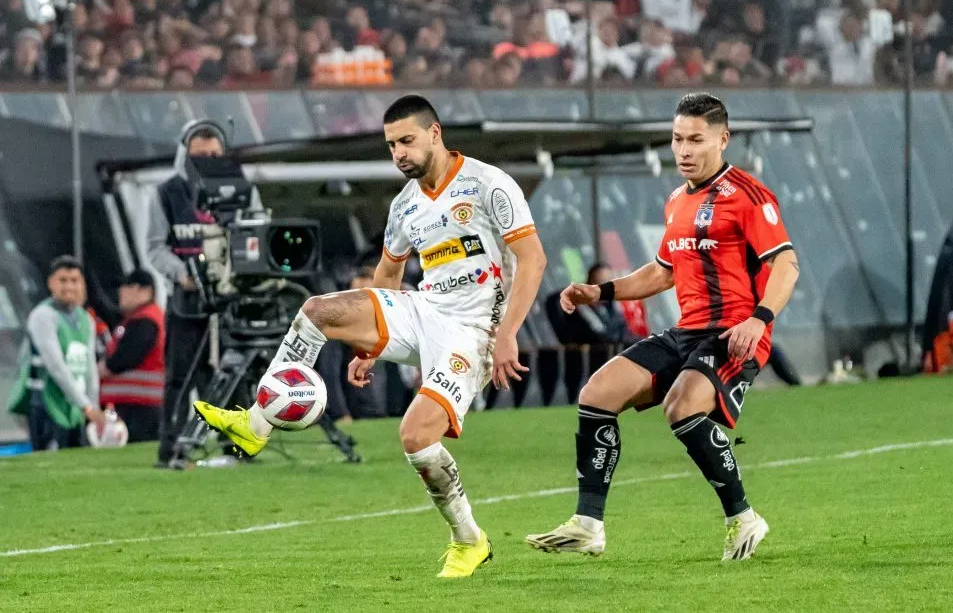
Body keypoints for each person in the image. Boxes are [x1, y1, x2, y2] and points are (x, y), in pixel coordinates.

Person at [194, 95, 547, 578]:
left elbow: (533, 260)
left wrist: (507, 334)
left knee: (416, 437)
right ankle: (255, 425)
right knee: (317, 310)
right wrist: (370, 344)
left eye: (406, 140)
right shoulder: (405, 204)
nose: (398, 153)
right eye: (391, 145)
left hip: (475, 329)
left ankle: (469, 540)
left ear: (435, 133)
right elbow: (388, 272)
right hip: (424, 309)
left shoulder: (489, 184)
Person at [525, 93, 800, 561]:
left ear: (722, 139)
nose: (684, 150)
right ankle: (588, 524)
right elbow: (662, 272)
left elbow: (787, 265)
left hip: (734, 332)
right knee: (596, 395)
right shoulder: (676, 200)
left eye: (696, 139)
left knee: (680, 407)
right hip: (687, 332)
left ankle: (743, 518)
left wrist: (759, 319)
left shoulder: (749, 197)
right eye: (677, 139)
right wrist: (602, 291)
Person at [145, 119, 263, 468]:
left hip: (233, 298)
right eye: (201, 155)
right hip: (187, 299)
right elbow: (154, 247)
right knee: (180, 376)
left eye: (214, 154)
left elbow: (257, 234)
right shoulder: (166, 193)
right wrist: (183, 274)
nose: (208, 160)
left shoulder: (244, 188)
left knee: (238, 371)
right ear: (186, 155)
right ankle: (171, 449)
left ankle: (239, 445)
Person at [7, 256, 105, 450]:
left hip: (75, 406)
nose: (69, 287)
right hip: (46, 403)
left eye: (74, 280)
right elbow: (55, 365)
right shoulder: (43, 316)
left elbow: (89, 368)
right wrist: (86, 405)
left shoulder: (86, 319)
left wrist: (93, 405)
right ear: (51, 283)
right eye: (63, 280)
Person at [98, 270, 166, 442]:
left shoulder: (145, 320)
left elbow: (125, 358)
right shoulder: (141, 318)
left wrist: (101, 369)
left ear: (143, 290)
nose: (121, 292)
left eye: (126, 286)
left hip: (138, 408)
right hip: (137, 405)